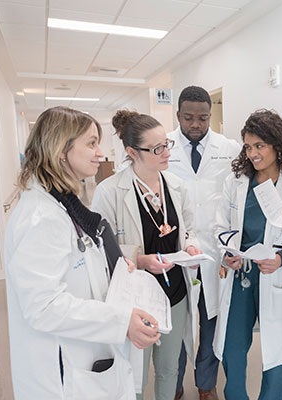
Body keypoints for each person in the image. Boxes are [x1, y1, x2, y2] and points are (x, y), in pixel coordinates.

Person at [4, 106, 160, 400]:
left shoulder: (64, 204)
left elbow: (77, 261)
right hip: (63, 375)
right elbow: (43, 306)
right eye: (91, 143)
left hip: (85, 358)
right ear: (61, 150)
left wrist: (111, 268)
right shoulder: (42, 217)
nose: (100, 153)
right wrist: (120, 321)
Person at [213, 109, 282, 400]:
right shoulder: (237, 181)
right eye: (248, 147)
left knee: (277, 352)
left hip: (276, 274)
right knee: (232, 348)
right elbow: (220, 225)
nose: (252, 154)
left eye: (259, 146)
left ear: (277, 145)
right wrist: (228, 254)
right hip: (241, 275)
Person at [91, 110, 203, 400]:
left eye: (167, 144)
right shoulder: (110, 191)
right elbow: (101, 248)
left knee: (169, 368)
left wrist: (190, 245)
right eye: (156, 148)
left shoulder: (177, 187)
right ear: (132, 152)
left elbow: (188, 228)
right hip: (136, 295)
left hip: (174, 289)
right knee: (134, 373)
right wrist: (141, 260)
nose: (166, 153)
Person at [166, 85, 241, 400]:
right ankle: (174, 382)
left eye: (203, 118)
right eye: (188, 118)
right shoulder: (163, 146)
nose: (195, 124)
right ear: (178, 115)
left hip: (214, 250)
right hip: (178, 247)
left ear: (211, 116)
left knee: (211, 318)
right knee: (177, 321)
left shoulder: (229, 148)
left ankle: (206, 383)